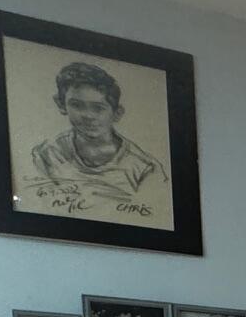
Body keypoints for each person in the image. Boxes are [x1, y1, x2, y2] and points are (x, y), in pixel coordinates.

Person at [24, 62, 167, 213]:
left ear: (117, 113)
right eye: (77, 105)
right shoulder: (47, 155)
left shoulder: (144, 168)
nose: (88, 116)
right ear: (61, 104)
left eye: (98, 108)